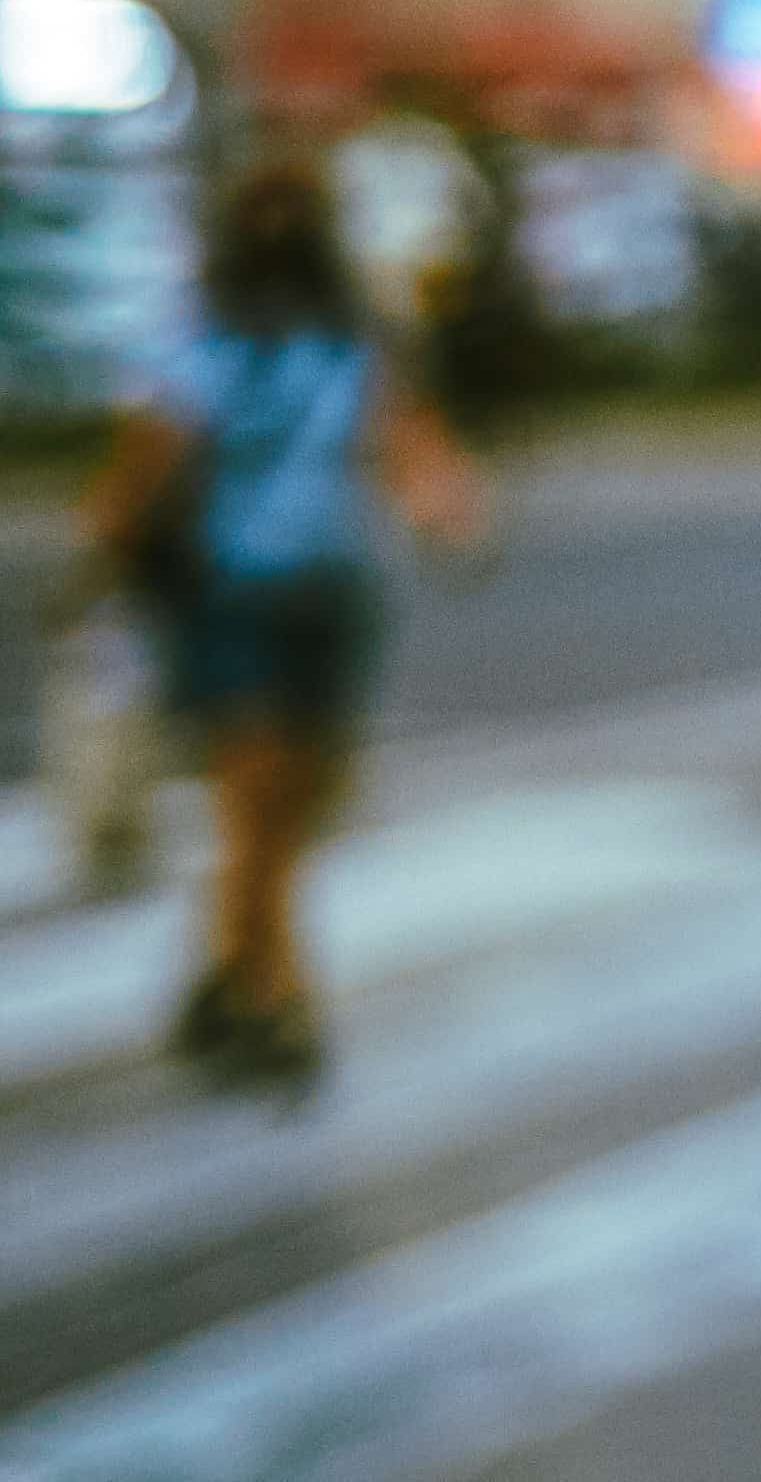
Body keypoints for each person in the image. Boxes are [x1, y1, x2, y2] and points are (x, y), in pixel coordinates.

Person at [81, 154, 488, 1089]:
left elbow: (142, 473)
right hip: (260, 595)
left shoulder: (307, 342)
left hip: (300, 595)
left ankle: (231, 973)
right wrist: (452, 514)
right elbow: (152, 466)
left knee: (282, 809)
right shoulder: (258, 342)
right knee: (265, 805)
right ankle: (278, 999)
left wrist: (97, 561)